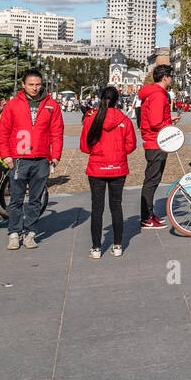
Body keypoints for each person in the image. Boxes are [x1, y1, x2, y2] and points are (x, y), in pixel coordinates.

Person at [0, 69, 64, 251]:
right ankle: (13, 233)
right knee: (16, 199)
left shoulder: (52, 105)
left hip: (41, 158)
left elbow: (57, 132)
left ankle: (30, 233)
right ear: (23, 85)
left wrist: (56, 156)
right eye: (31, 85)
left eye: (38, 84)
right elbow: (3, 132)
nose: (35, 88)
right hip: (19, 159)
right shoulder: (13, 105)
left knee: (36, 199)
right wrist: (6, 156)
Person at [80, 86, 137, 259]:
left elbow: (84, 146)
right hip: (118, 167)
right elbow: (131, 145)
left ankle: (96, 248)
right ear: (118, 101)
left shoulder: (91, 119)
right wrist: (118, 152)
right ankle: (118, 245)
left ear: (99, 99)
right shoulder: (124, 120)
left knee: (97, 207)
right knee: (116, 206)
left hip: (97, 167)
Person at [138, 64, 178, 231]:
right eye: (171, 76)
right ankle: (146, 218)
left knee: (153, 179)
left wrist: (169, 121)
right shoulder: (158, 96)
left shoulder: (154, 94)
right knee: (152, 180)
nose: (172, 79)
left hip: (155, 141)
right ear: (164, 77)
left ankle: (148, 214)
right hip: (156, 142)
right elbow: (155, 122)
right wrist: (169, 125)